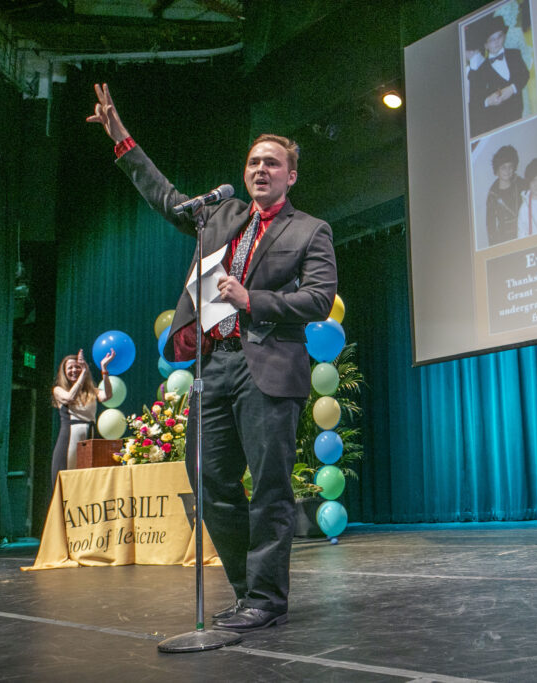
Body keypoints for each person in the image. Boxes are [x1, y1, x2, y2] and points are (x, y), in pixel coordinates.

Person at [87, 83, 338, 629]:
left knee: (269, 489)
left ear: (291, 175)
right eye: (254, 162)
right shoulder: (219, 217)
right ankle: (250, 592)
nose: (261, 170)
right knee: (209, 484)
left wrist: (255, 300)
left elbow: (319, 297)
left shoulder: (309, 230)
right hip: (213, 364)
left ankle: (268, 601)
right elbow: (165, 197)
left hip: (267, 366)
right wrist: (121, 139)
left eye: (272, 163)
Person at [51, 348, 115, 484]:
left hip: (89, 435)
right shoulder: (58, 390)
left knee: (86, 480)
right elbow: (69, 398)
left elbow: (107, 395)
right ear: (64, 372)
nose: (74, 370)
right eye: (70, 368)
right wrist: (84, 373)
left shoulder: (93, 391)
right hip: (70, 438)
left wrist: (104, 369)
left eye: (77, 367)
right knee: (68, 478)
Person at [467, 14, 531, 137]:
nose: (496, 42)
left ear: (504, 36)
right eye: (491, 40)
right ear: (485, 45)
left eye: (499, 36)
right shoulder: (481, 70)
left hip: (519, 113)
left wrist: (512, 88)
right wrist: (488, 101)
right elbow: (475, 101)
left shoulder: (514, 54)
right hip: (498, 121)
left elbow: (525, 75)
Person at [486, 145, 527, 246]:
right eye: (503, 168)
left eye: (510, 167)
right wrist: (494, 245)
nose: (507, 171)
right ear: (497, 170)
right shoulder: (493, 195)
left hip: (525, 230)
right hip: (505, 238)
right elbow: (490, 225)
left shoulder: (521, 184)